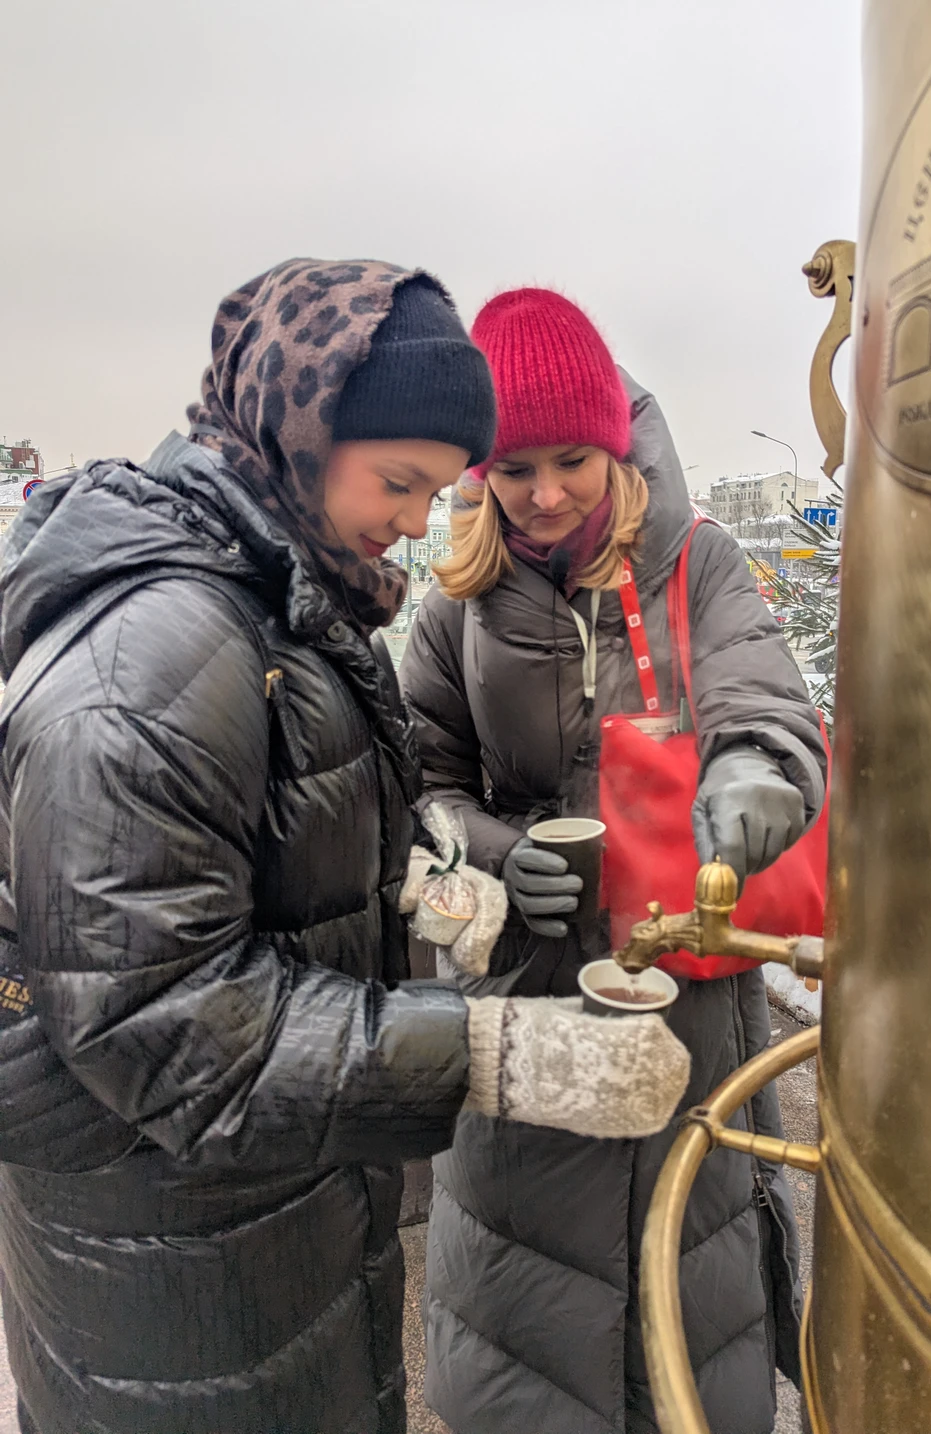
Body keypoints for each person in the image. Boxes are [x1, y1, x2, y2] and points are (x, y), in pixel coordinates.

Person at [0, 261, 691, 1434]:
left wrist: (417, 885)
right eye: (402, 482)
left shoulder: (280, 602)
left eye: (438, 492)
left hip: (265, 1210)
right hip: (171, 1267)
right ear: (297, 427)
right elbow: (158, 1022)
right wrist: (483, 1051)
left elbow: (252, 859)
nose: (421, 521)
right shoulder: (157, 654)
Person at [401, 288, 828, 1434]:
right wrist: (497, 857)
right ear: (480, 472)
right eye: (515, 467)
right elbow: (418, 788)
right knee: (526, 1339)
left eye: (573, 460)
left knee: (694, 1316)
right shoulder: (456, 604)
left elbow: (766, 700)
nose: (544, 495)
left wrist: (756, 775)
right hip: (529, 1020)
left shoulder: (700, 563)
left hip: (690, 998)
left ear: (618, 445)